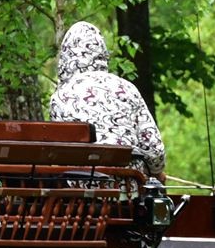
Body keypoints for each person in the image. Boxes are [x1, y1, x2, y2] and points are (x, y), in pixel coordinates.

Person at [49, 20, 166, 181]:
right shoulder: (127, 89)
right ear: (102, 54)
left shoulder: (61, 96)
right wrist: (157, 172)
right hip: (128, 188)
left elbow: (59, 155)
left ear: (66, 58)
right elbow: (154, 150)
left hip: (80, 193)